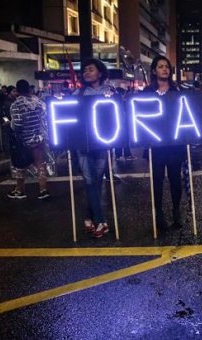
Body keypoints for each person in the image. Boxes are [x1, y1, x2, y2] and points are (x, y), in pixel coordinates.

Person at [74, 58, 115, 238]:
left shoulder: (109, 92)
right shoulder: (78, 94)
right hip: (83, 143)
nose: (87, 72)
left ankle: (88, 216)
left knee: (96, 181)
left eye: (90, 69)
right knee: (90, 180)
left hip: (103, 142)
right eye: (84, 70)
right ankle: (101, 221)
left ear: (100, 72)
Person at [146, 55, 187, 231]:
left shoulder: (177, 92)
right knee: (156, 180)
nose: (164, 69)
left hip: (174, 144)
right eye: (161, 66)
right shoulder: (146, 93)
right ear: (154, 70)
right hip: (154, 145)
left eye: (167, 67)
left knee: (175, 180)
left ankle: (176, 211)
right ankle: (158, 213)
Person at [7, 79, 49, 200]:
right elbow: (44, 119)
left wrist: (10, 124)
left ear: (17, 90)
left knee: (20, 165)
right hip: (39, 138)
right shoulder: (39, 102)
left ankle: (20, 190)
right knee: (40, 165)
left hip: (23, 140)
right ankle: (43, 190)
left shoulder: (16, 105)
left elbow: (18, 124)